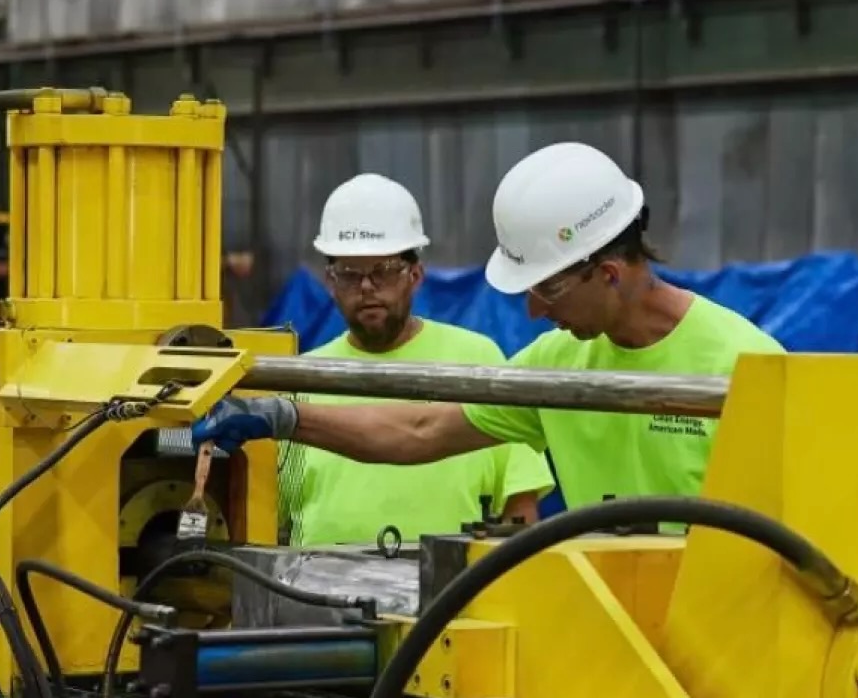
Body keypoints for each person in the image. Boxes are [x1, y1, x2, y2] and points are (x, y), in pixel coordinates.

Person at [196, 143, 785, 510]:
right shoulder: (556, 367)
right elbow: (423, 431)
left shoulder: (744, 369)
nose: (532, 310)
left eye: (546, 288)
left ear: (608, 273)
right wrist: (285, 415)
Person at [276, 173, 554, 547]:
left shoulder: (476, 361)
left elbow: (519, 506)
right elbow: (272, 519)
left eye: (384, 271)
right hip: (317, 591)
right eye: (349, 274)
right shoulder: (303, 379)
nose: (367, 288)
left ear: (416, 275)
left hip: (449, 590)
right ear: (329, 281)